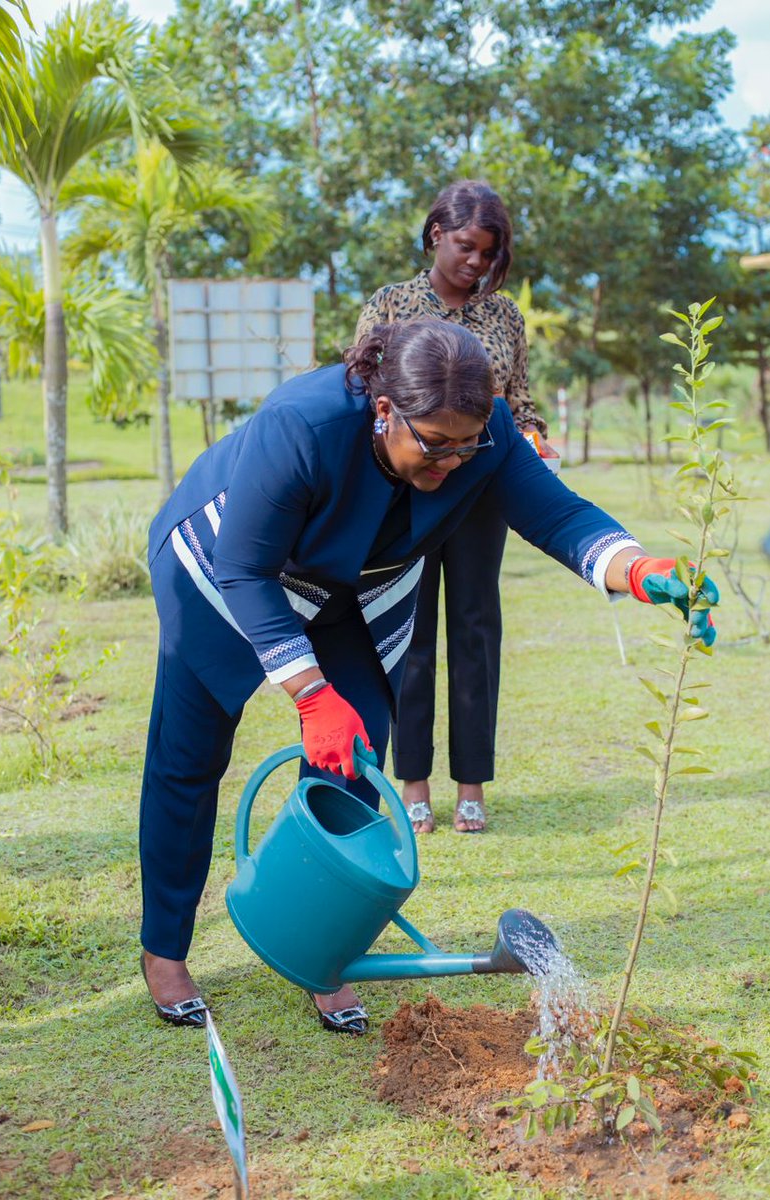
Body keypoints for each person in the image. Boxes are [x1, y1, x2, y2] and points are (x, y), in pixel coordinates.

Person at [139, 317, 718, 1035]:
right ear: (385, 411)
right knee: (189, 761)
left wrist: (634, 567)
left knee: (352, 762)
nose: (451, 462)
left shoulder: (485, 435)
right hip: (227, 571)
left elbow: (556, 512)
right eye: (434, 444)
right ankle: (164, 948)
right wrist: (310, 693)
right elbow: (244, 568)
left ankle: (321, 954)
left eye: (467, 443)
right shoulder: (303, 424)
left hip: (354, 588)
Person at [356, 180, 559, 835]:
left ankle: (471, 785)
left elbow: (517, 398)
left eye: (489, 253)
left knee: (475, 630)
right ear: (436, 233)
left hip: (479, 489)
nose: (475, 262)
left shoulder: (502, 317)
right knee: (410, 635)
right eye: (467, 247)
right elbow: (362, 396)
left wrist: (532, 432)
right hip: (408, 492)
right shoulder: (390, 304)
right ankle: (412, 784)